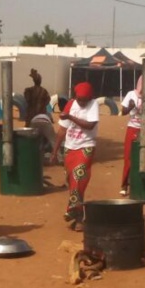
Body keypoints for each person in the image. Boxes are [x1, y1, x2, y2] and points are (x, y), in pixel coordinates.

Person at [51, 82, 99, 225]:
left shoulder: (94, 105)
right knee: (73, 182)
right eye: (80, 100)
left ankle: (72, 209)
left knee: (79, 176)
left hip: (86, 146)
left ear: (90, 98)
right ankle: (79, 218)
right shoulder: (70, 105)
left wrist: (71, 117)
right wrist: (55, 151)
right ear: (75, 97)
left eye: (85, 100)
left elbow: (90, 125)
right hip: (70, 147)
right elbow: (61, 131)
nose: (82, 102)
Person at [119, 76, 145, 196]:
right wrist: (131, 107)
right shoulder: (131, 94)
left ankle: (144, 184)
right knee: (129, 157)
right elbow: (123, 111)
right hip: (132, 128)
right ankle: (124, 185)